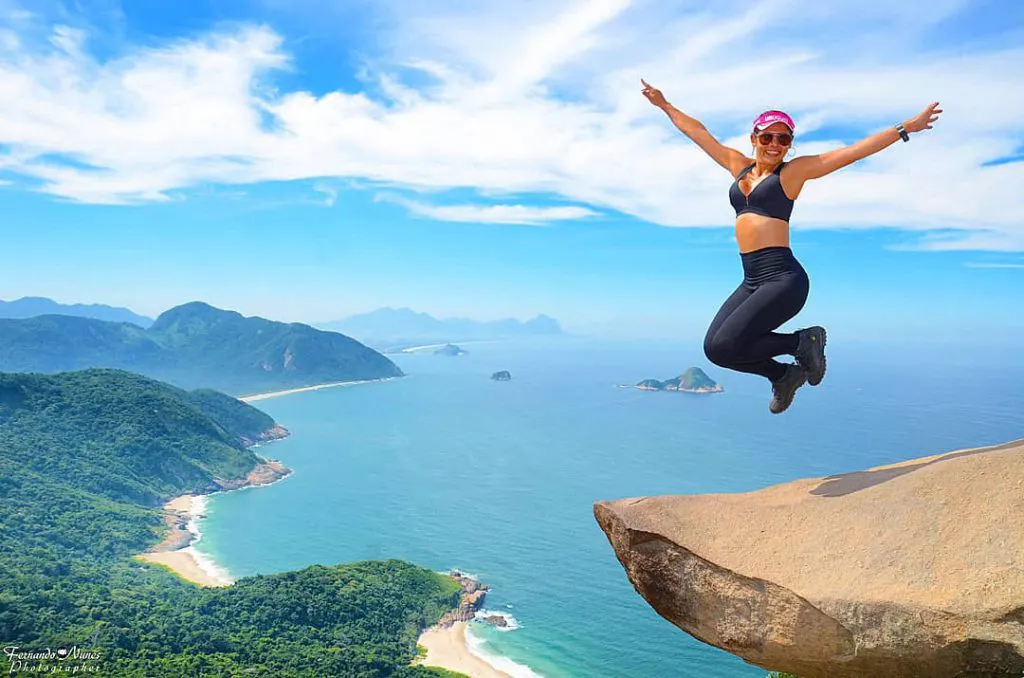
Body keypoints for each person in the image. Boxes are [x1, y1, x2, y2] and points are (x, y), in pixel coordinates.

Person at [640, 79, 941, 414]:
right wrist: (665, 105)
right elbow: (698, 133)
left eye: (783, 139)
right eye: (767, 136)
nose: (774, 144)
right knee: (717, 349)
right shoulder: (738, 167)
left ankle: (803, 341)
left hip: (784, 279)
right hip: (751, 279)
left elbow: (851, 152)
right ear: (754, 138)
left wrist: (906, 127)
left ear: (789, 145)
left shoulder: (791, 174)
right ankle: (784, 374)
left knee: (730, 342)